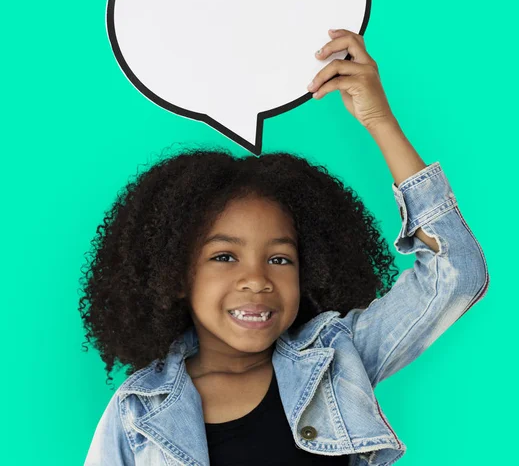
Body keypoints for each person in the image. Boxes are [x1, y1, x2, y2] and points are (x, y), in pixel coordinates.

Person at [80, 29, 489, 465]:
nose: (256, 280)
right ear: (175, 277)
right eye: (224, 256)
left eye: (279, 258)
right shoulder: (138, 411)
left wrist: (379, 120)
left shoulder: (335, 361)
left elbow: (457, 275)